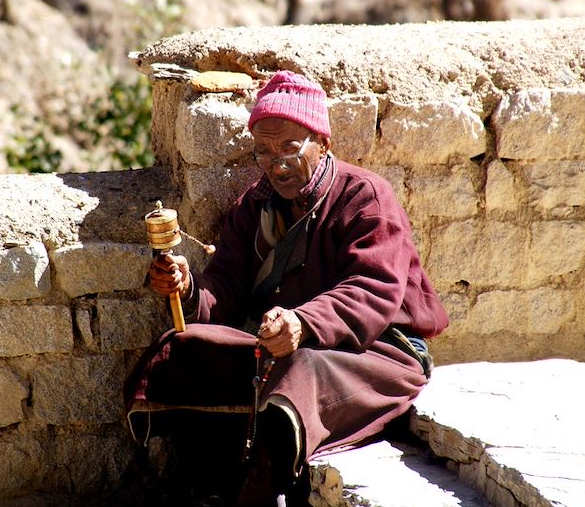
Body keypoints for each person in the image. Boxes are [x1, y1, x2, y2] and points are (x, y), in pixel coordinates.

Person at [125, 70, 449, 506]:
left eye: (289, 148)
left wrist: (302, 321)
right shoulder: (254, 206)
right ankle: (201, 486)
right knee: (181, 346)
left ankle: (255, 494)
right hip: (286, 345)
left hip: (379, 351)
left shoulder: (365, 197)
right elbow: (225, 289)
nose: (276, 162)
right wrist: (186, 288)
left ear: (323, 143)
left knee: (302, 371)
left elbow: (373, 289)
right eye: (263, 151)